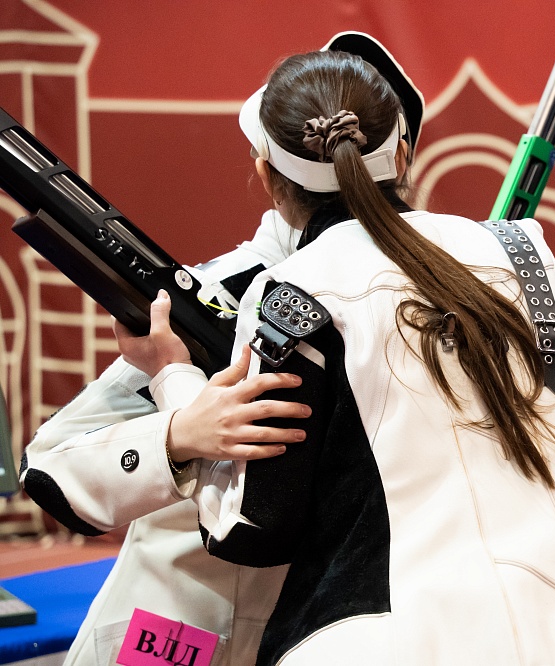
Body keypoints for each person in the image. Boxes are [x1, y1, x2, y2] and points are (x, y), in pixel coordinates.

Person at [125, 47, 555, 665]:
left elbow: (252, 529)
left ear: (268, 177)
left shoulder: (287, 297)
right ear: (403, 154)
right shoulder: (519, 248)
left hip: (404, 635)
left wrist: (173, 377)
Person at [19, 32, 424, 666]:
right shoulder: (216, 300)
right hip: (183, 638)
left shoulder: (439, 298)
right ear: (400, 159)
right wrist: (180, 432)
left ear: (266, 171)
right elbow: (51, 467)